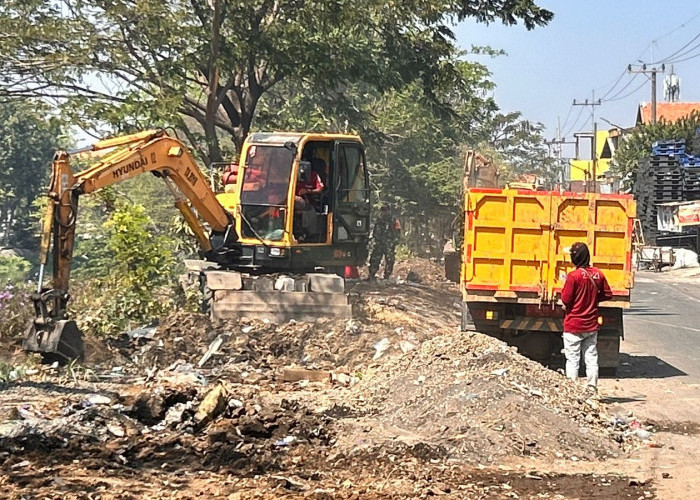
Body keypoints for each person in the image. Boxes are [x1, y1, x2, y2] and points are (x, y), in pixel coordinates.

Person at [560, 242, 613, 392]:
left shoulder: (573, 276)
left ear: (574, 258)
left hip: (573, 325)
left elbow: (566, 299)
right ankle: (592, 387)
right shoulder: (598, 274)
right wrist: (593, 300)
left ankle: (572, 390)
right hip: (591, 325)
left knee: (572, 360)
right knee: (591, 358)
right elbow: (608, 294)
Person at [368, 205, 401, 280]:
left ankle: (387, 276)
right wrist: (374, 240)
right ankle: (372, 275)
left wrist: (394, 242)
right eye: (383, 210)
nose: (384, 212)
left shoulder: (394, 220)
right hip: (379, 243)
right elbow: (375, 231)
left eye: (386, 210)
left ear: (389, 211)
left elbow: (398, 232)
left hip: (389, 243)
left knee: (390, 260)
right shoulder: (379, 220)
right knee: (375, 259)